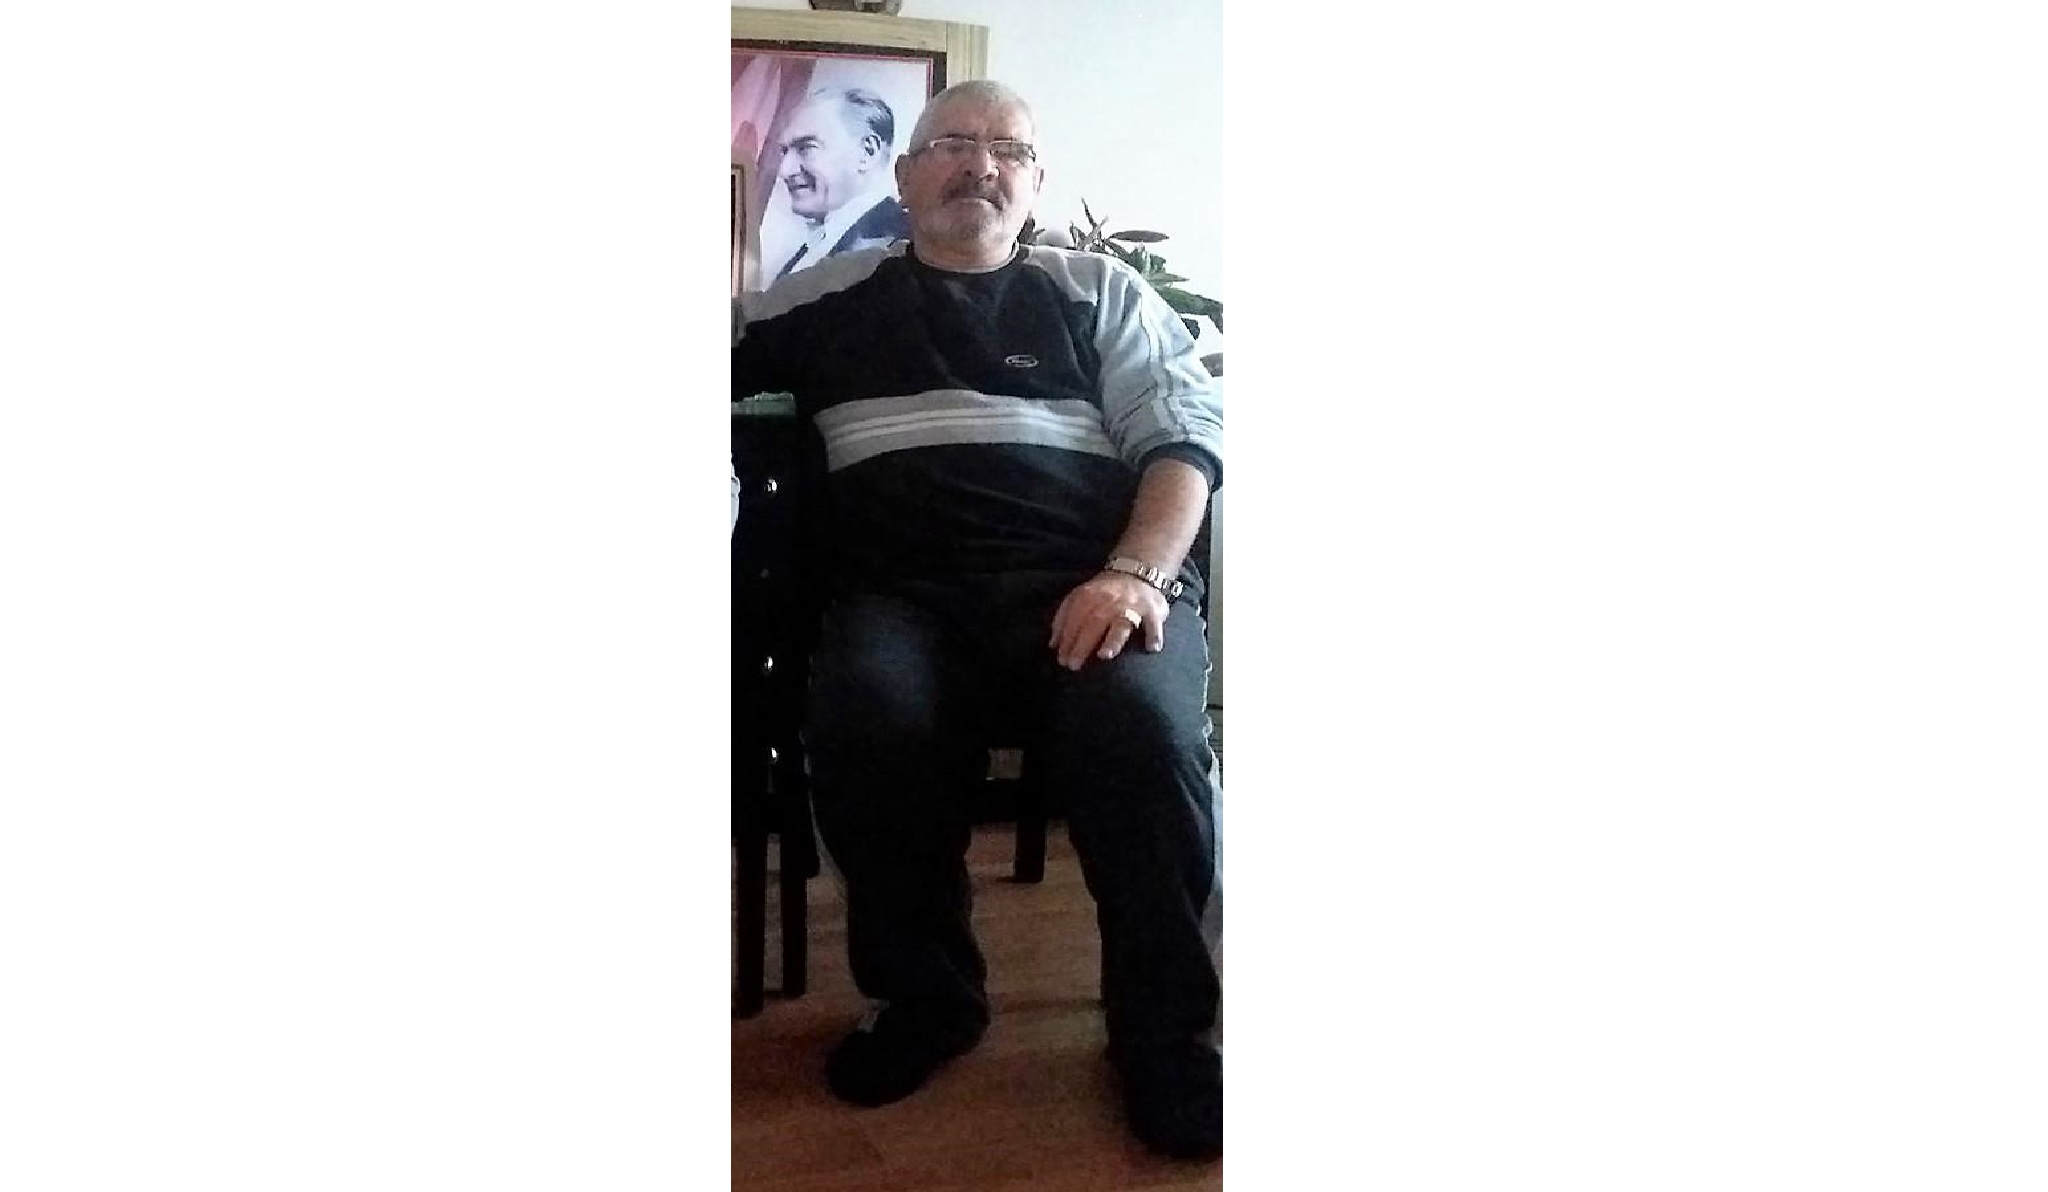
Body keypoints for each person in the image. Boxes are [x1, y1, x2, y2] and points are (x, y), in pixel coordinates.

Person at [732, 79, 1223, 1161]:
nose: (981, 164)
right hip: (902, 596)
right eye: (953, 142)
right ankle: (927, 1001)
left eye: (1009, 149)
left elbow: (1183, 445)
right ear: (906, 177)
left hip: (1087, 581)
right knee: (866, 718)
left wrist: (1136, 573)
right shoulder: (826, 298)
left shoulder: (1097, 292)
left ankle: (1165, 1034)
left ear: (1035, 184)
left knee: (1140, 734)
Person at [769, 87, 912, 280]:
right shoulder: (815, 243)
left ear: (867, 152)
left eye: (806, 148)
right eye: (784, 151)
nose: (784, 170)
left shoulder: (904, 246)